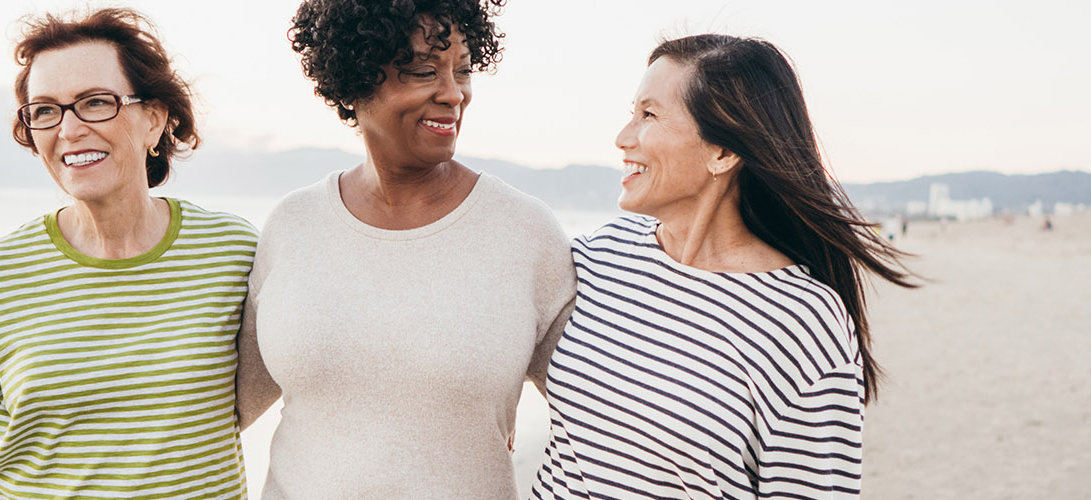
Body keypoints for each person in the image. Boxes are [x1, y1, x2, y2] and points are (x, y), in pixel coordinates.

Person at [0, 9, 257, 499]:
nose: (69, 129)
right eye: (45, 110)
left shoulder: (232, 251)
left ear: (154, 120)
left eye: (95, 102)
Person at [529, 34, 916, 500]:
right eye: (631, 112)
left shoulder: (803, 321)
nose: (623, 137)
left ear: (723, 152)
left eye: (648, 115)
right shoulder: (597, 257)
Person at [234, 0, 575, 498]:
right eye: (422, 71)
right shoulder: (292, 225)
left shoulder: (525, 231)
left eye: (463, 70)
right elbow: (222, 410)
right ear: (351, 83)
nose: (453, 94)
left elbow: (597, 420)